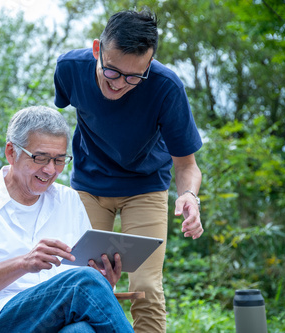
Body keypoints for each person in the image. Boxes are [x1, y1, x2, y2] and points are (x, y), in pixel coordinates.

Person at [53, 9, 204, 333]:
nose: (121, 84)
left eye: (134, 76)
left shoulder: (166, 88)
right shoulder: (69, 69)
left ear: (148, 65)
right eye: (112, 72)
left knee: (147, 287)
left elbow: (187, 165)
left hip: (145, 186)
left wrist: (189, 195)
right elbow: (55, 127)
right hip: (89, 185)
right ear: (97, 50)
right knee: (86, 281)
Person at [0, 106, 133, 333]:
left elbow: (83, 274)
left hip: (58, 318)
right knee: (83, 282)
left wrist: (105, 278)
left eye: (59, 160)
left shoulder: (68, 200)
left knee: (80, 331)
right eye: (40, 158)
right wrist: (23, 263)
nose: (50, 170)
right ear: (11, 152)